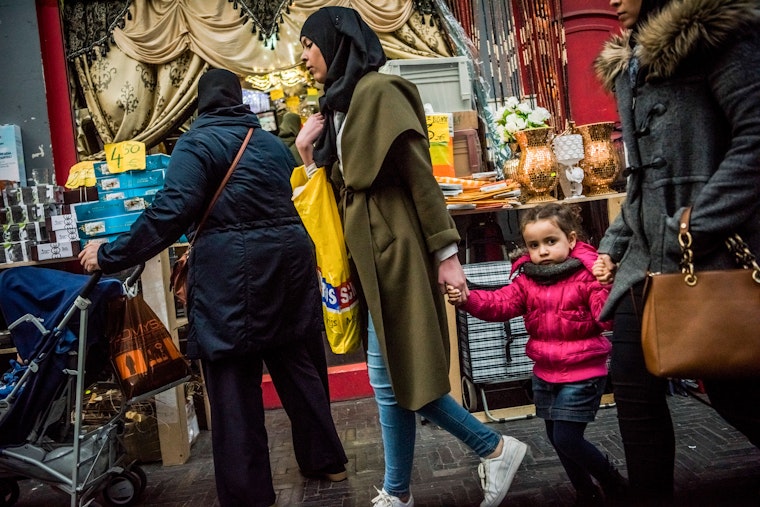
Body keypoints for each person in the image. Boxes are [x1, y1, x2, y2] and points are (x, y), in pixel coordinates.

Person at [78, 68, 347, 507]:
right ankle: (327, 461)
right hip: (289, 266)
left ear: (199, 103)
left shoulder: (196, 143)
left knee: (233, 384)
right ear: (238, 100)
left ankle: (249, 493)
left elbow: (171, 212)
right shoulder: (270, 144)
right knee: (300, 369)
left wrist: (111, 253)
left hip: (231, 275)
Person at [294, 7, 527, 507]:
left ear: (334, 43)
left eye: (309, 44)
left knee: (392, 374)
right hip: (369, 253)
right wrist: (308, 156)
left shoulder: (379, 92)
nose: (304, 57)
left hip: (395, 246)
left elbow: (421, 178)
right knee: (392, 375)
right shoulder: (339, 102)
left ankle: (492, 448)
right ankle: (402, 489)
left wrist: (446, 254)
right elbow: (338, 189)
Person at [592, 0, 760, 504]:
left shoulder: (717, 35)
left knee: (736, 395)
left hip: (713, 253)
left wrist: (697, 224)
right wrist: (614, 243)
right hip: (645, 263)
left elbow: (756, 139)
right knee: (633, 393)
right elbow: (643, 179)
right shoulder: (629, 63)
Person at [448, 203, 627, 506]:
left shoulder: (587, 274)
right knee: (557, 439)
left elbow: (605, 318)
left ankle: (614, 483)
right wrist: (468, 299)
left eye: (550, 241)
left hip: (583, 372)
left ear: (570, 239)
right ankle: (586, 492)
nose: (542, 250)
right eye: (534, 245)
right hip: (545, 373)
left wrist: (606, 284)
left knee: (567, 438)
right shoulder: (527, 279)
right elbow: (500, 303)